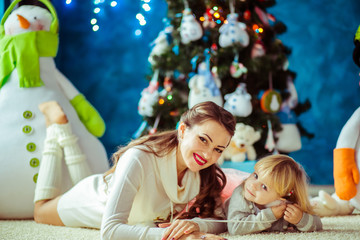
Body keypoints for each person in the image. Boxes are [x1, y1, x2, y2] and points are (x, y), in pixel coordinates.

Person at [33, 101, 235, 240]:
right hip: (93, 203)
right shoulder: (139, 157)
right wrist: (177, 236)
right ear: (182, 130)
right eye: (203, 140)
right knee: (40, 212)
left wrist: (197, 226)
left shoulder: (202, 173)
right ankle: (56, 129)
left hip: (115, 194)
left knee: (82, 177)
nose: (208, 155)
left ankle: (62, 132)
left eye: (218, 149)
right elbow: (110, 231)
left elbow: (221, 221)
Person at [225, 154, 323, 235]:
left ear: (282, 196)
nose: (252, 185)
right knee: (214, 227)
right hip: (219, 214)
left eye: (264, 187)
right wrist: (270, 215)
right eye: (255, 175)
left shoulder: (287, 206)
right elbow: (235, 228)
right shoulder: (240, 193)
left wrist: (300, 219)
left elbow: (318, 225)